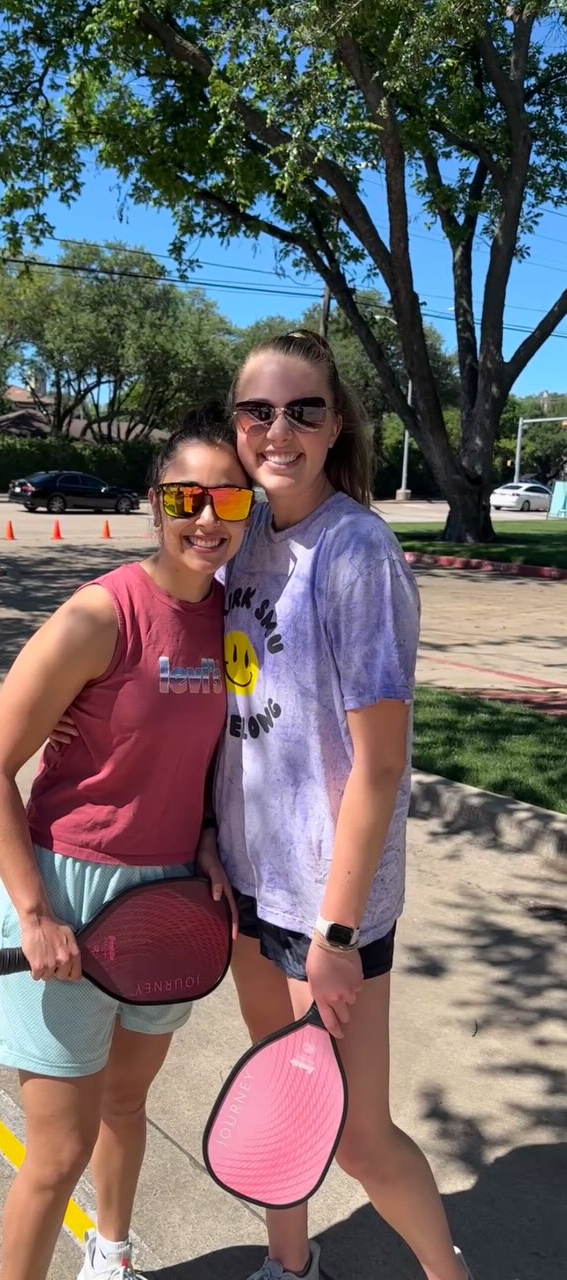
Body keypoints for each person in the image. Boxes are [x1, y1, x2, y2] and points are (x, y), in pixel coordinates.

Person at [201, 329, 474, 1280]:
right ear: (236, 424)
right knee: (282, 1107)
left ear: (336, 423)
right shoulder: (239, 543)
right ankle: (291, 1265)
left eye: (303, 410)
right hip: (247, 879)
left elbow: (381, 764)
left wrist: (339, 930)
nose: (279, 430)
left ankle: (450, 1273)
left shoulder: (355, 550)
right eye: (258, 411)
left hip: (329, 905)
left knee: (358, 1139)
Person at [0, 412, 253, 1280]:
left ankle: (113, 1255)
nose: (207, 518)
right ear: (153, 503)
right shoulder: (101, 613)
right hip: (66, 894)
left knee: (126, 1104)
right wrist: (34, 915)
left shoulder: (231, 625)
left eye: (228, 497)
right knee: (56, 1155)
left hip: (170, 900)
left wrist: (207, 837)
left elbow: (208, 755)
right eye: (186, 497)